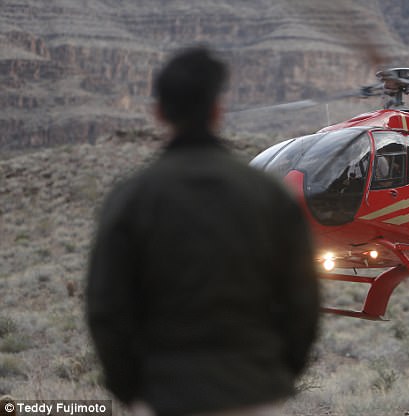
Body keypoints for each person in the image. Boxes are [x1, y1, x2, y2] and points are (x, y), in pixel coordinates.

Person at [86, 46, 320, 416]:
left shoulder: (131, 198)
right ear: (217, 110)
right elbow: (303, 303)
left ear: (159, 112)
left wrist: (132, 389)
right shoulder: (270, 195)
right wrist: (276, 377)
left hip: (164, 397)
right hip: (254, 395)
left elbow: (105, 309)